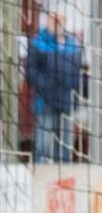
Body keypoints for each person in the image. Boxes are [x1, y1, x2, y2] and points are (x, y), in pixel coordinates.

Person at [25, 11, 84, 162]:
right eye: (54, 18)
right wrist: (48, 86)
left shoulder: (73, 45)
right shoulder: (38, 43)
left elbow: (77, 75)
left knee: (65, 148)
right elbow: (31, 73)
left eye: (60, 19)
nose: (57, 22)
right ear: (48, 20)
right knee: (43, 147)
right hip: (45, 104)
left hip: (66, 104)